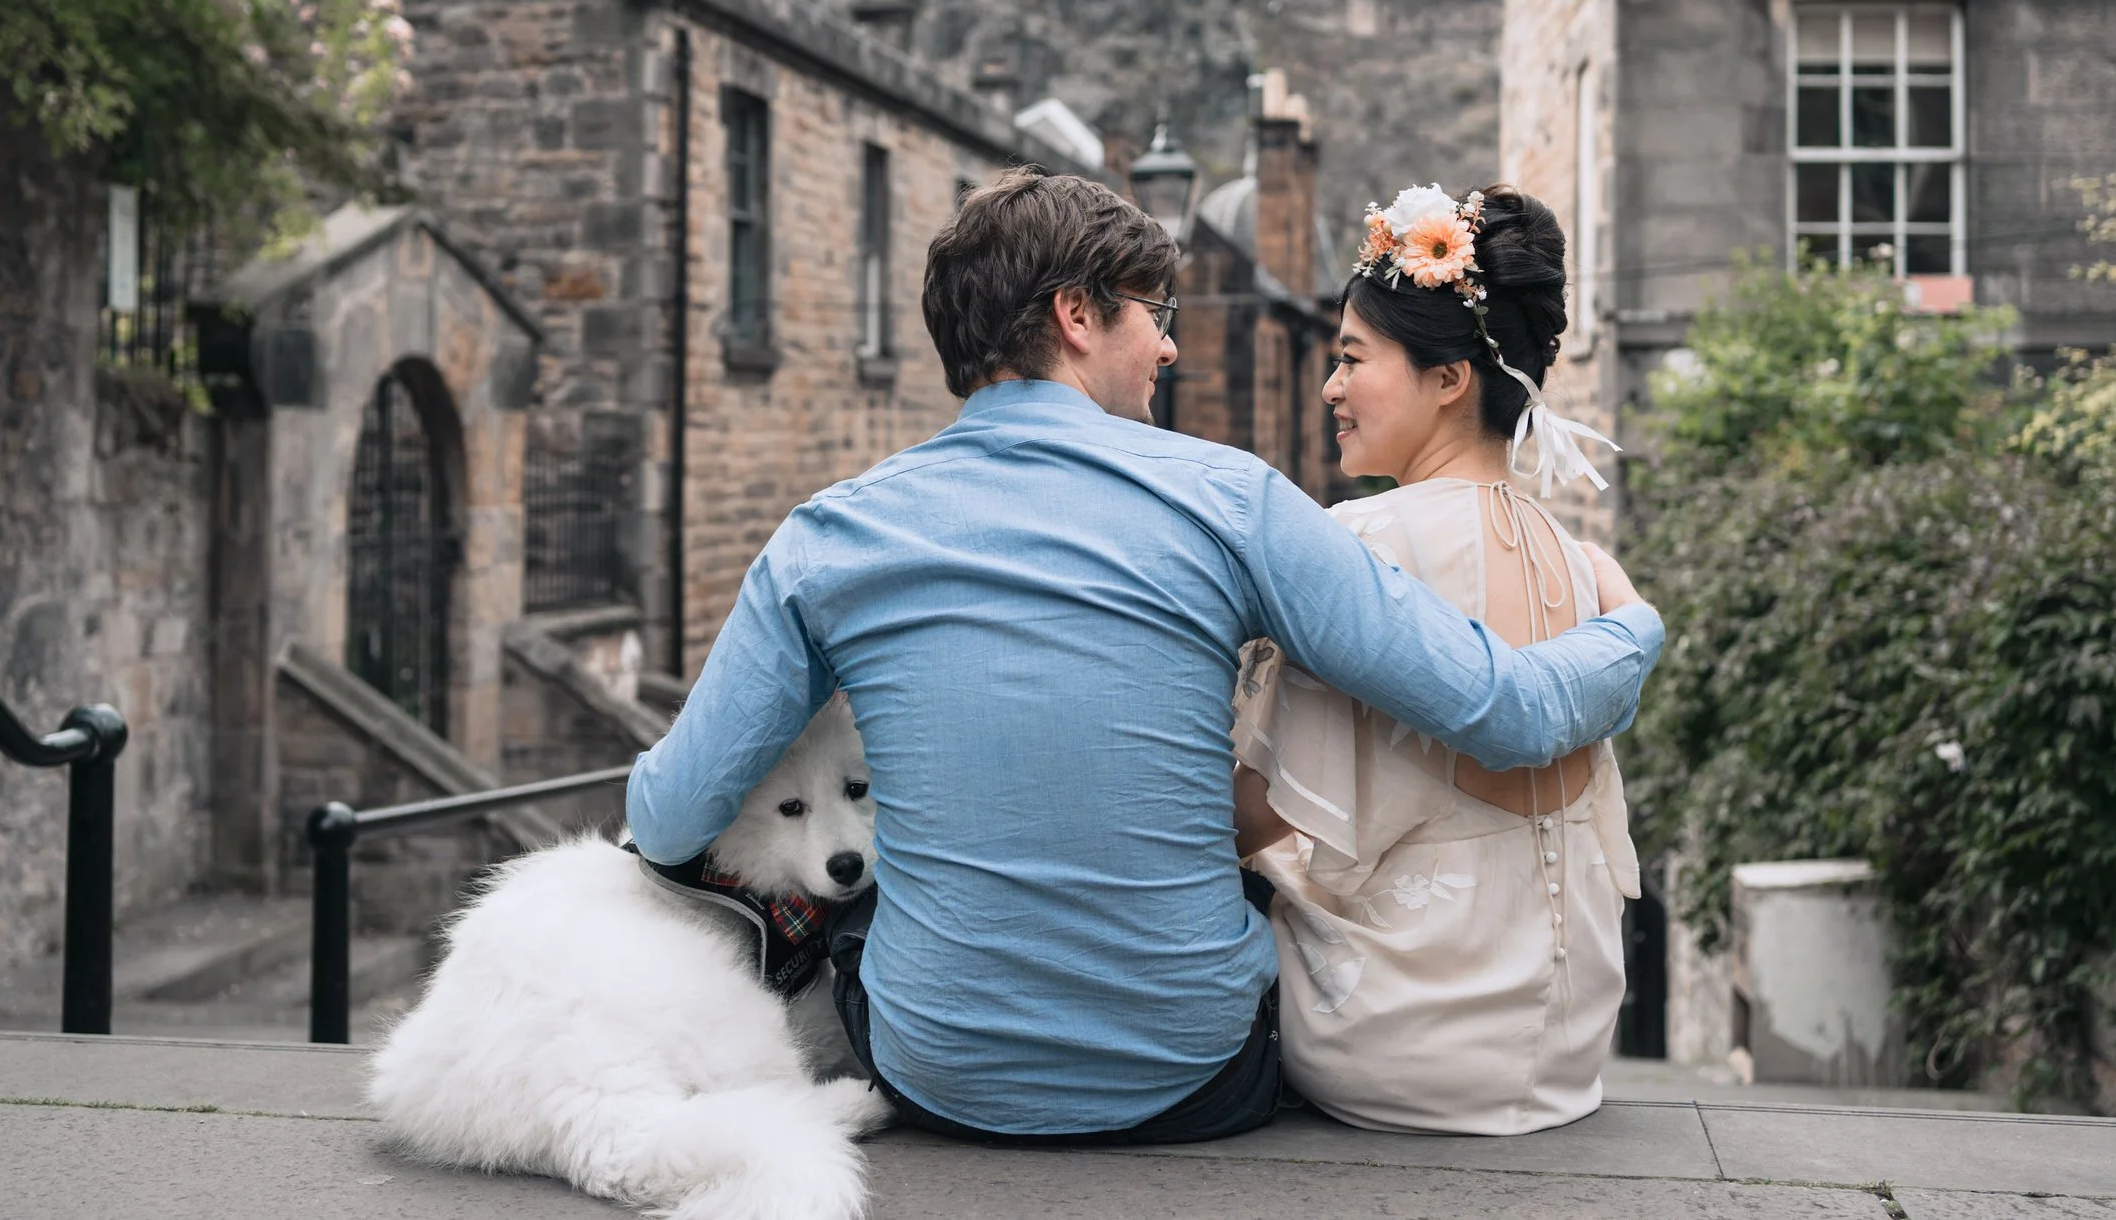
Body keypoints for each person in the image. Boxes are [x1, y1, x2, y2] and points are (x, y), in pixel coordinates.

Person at [626, 168, 1665, 1145]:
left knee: (855, 891)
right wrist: (1631, 626)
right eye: (1150, 316)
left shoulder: (825, 535)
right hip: (1195, 1076)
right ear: (1076, 317)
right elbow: (1510, 710)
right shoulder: (1231, 498)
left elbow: (667, 818)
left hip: (939, 1072)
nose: (1169, 349)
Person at [1233, 180, 1637, 1134]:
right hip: (1568, 1047)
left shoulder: (1361, 543)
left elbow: (1257, 813)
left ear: (1449, 378)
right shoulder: (1579, 562)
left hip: (1399, 1042)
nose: (1330, 387)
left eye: (1352, 359)